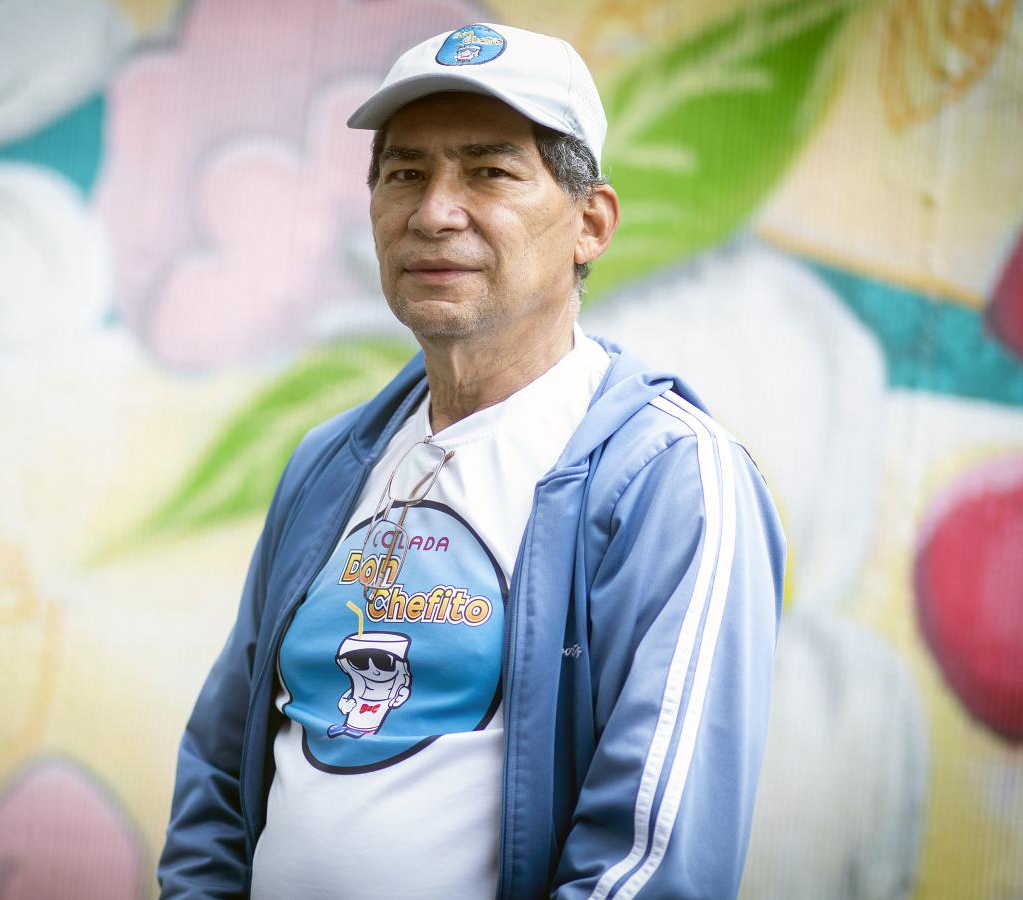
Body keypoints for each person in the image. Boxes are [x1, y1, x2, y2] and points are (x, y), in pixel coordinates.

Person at [158, 22, 785, 900]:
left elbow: (649, 857)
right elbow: (221, 775)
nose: (434, 210)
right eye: (405, 173)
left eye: (489, 171)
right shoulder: (329, 463)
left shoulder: (670, 481)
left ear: (591, 223)